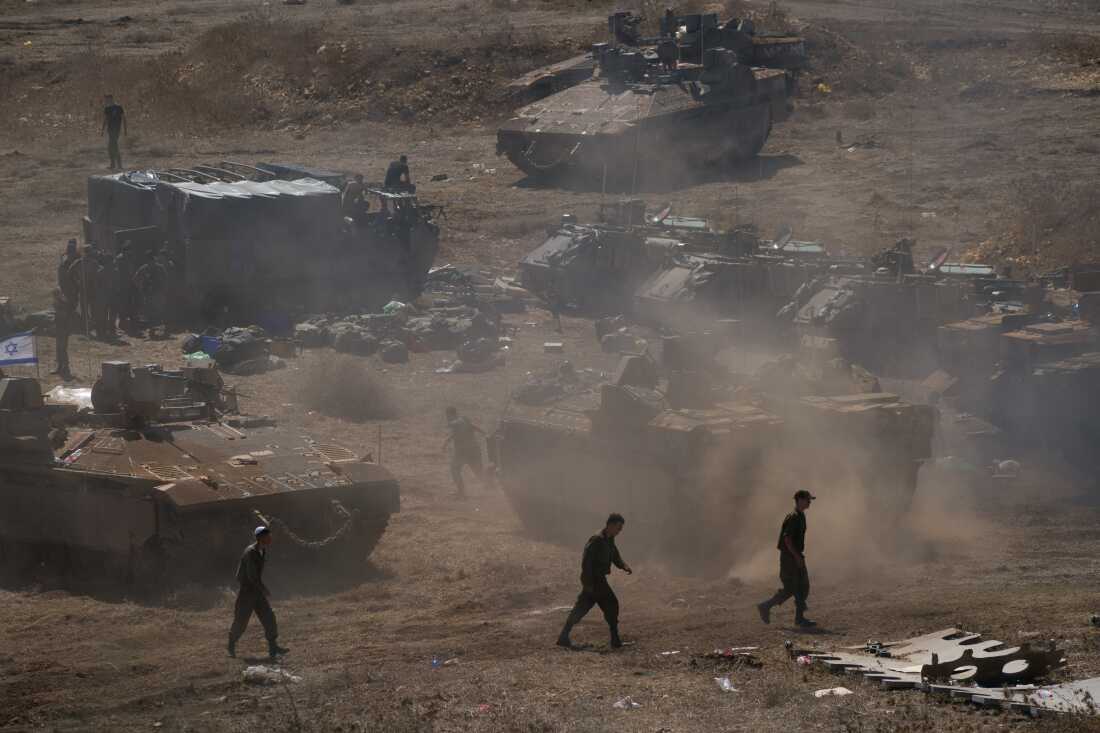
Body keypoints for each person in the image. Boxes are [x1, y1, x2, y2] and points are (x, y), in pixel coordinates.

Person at [557, 513, 633, 649]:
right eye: (618, 527)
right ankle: (615, 640)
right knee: (611, 604)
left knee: (581, 608)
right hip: (594, 580)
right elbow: (586, 563)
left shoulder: (609, 539)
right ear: (610, 525)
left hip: (598, 580)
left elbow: (614, 554)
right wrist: (588, 584)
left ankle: (563, 636)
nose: (620, 531)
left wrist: (623, 565)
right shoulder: (597, 540)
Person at [756, 490, 817, 628]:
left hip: (794, 555)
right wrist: (796, 557)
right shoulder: (793, 517)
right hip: (790, 557)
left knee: (801, 587)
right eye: (808, 500)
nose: (809, 502)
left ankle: (769, 607)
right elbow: (787, 539)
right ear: (800, 500)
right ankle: (770, 608)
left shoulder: (800, 516)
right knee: (794, 587)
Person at [228, 526, 288, 659]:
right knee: (241, 621)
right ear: (261, 538)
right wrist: (263, 588)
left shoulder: (262, 550)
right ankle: (231, 645)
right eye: (268, 536)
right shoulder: (251, 552)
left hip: (256, 590)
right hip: (247, 591)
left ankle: (273, 648)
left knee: (269, 617)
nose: (270, 538)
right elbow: (251, 576)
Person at [441, 406, 486, 497]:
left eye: (447, 416)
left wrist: (451, 424)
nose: (447, 418)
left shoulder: (458, 421)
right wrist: (446, 442)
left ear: (450, 414)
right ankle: (493, 485)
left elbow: (456, 424)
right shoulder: (465, 420)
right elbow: (474, 427)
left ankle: (461, 492)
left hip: (463, 452)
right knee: (478, 472)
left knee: (455, 470)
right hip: (474, 450)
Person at [51, 288, 74, 381]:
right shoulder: (57, 303)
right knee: (58, 348)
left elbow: (64, 316)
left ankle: (65, 366)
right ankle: (60, 366)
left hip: (64, 329)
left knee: (62, 348)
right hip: (59, 329)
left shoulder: (63, 304)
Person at [101, 94, 127, 170]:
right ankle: (116, 165)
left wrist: (125, 129)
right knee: (112, 146)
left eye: (107, 99)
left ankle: (116, 165)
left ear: (111, 99)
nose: (106, 101)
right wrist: (102, 130)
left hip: (116, 130)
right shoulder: (107, 108)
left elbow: (124, 118)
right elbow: (105, 120)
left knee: (113, 146)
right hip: (111, 130)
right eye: (106, 100)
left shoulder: (119, 107)